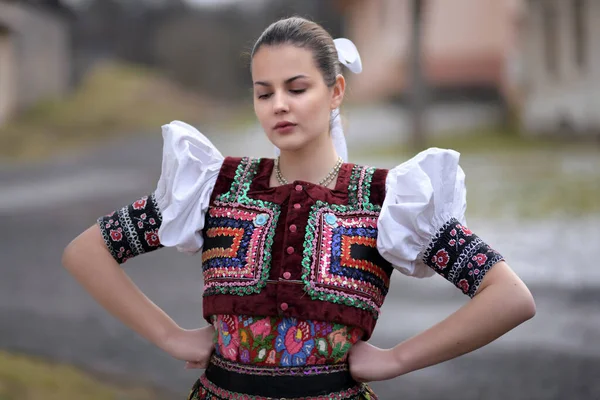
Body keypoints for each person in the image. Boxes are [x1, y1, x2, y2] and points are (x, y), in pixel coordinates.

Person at [62, 16, 536, 400]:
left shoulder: (389, 199)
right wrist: (170, 336)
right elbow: (87, 252)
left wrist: (397, 359)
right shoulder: (213, 186)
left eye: (297, 88)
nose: (279, 105)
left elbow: (509, 296)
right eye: (264, 92)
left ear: (335, 92)